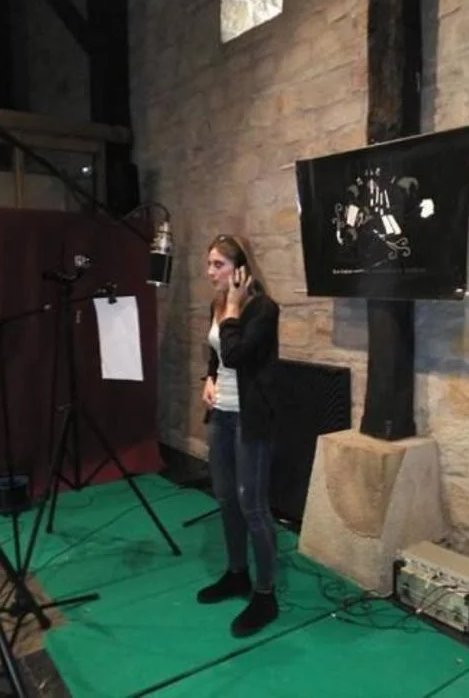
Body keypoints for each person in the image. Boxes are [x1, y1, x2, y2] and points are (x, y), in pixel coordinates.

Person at [197, 233, 280, 638]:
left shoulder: (263, 309)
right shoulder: (215, 305)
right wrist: (208, 378)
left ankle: (265, 594)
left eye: (219, 264)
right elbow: (218, 356)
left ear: (240, 270)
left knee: (253, 506)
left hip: (252, 418)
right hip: (223, 415)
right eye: (209, 264)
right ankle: (236, 574)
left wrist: (232, 306)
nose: (210, 271)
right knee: (226, 498)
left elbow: (236, 353)